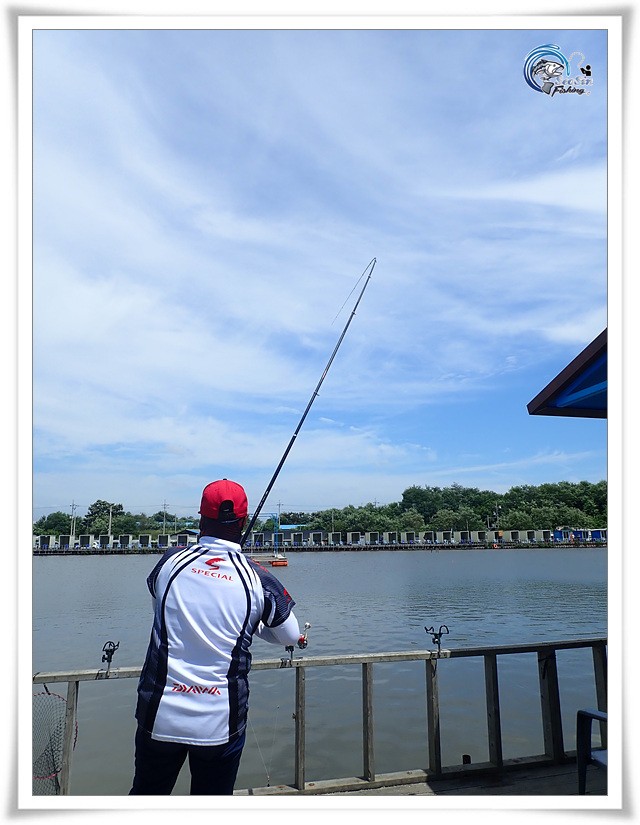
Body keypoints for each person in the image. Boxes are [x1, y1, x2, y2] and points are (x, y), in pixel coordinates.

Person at [130, 478, 305, 795]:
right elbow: (291, 635)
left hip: (159, 715)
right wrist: (254, 626)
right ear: (244, 522)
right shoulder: (258, 578)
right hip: (220, 724)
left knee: (146, 798)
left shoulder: (169, 562)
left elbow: (161, 609)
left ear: (201, 518)